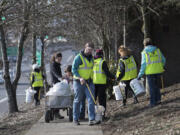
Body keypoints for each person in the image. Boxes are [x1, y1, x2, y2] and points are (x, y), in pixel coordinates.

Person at [72, 42, 97, 126]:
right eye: (88, 49)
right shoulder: (78, 58)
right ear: (85, 48)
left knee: (91, 100)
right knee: (77, 100)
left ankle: (92, 119)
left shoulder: (92, 58)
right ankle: (75, 119)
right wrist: (80, 78)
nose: (89, 51)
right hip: (79, 82)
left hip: (89, 82)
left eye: (91, 50)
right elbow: (74, 70)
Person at [137, 38, 166, 107]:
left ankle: (153, 102)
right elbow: (163, 60)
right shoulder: (157, 50)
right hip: (158, 71)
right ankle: (158, 100)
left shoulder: (144, 52)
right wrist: (162, 66)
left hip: (150, 72)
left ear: (144, 44)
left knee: (152, 88)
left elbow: (143, 64)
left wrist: (140, 74)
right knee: (156, 86)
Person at [93, 49, 115, 119]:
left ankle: (92, 114)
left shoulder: (92, 62)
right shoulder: (102, 62)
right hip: (101, 84)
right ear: (102, 55)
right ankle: (102, 115)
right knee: (102, 100)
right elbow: (107, 73)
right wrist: (113, 77)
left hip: (93, 84)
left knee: (93, 99)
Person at [50, 52, 64, 119]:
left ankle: (56, 112)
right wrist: (60, 77)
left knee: (59, 97)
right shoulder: (53, 65)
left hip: (59, 83)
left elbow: (59, 74)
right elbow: (55, 73)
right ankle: (55, 112)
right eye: (58, 59)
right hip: (55, 83)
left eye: (60, 59)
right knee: (57, 98)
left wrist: (62, 77)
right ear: (55, 58)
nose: (59, 60)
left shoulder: (58, 64)